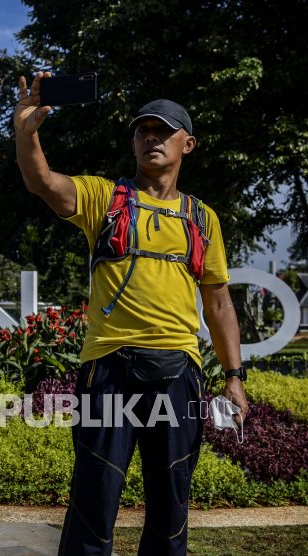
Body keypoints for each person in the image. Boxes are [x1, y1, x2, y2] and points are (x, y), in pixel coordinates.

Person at [13, 72, 249, 556]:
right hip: (109, 371)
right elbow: (42, 182)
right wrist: (26, 132)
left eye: (163, 131)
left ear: (188, 143)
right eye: (143, 130)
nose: (151, 138)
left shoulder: (203, 218)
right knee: (94, 501)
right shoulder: (107, 199)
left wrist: (234, 376)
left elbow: (219, 301)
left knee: (170, 509)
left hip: (178, 373)